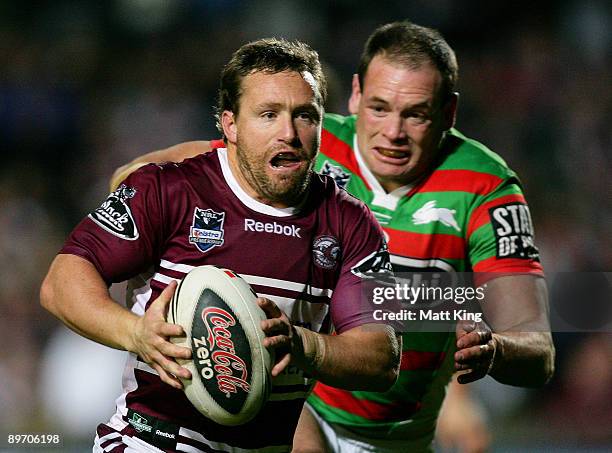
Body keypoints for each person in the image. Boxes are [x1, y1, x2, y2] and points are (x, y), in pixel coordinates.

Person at [111, 21, 555, 452]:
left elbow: (539, 350)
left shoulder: (485, 185)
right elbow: (133, 179)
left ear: (448, 112)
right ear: (357, 94)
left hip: (395, 427)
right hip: (301, 399)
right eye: (379, 108)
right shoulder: (306, 147)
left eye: (415, 114)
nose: (394, 132)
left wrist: (489, 352)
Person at [40, 38, 402, 452]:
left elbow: (382, 357)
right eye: (268, 115)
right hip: (154, 442)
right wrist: (136, 332)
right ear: (230, 124)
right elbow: (61, 282)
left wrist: (305, 344)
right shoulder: (169, 188)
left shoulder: (350, 222)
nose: (289, 133)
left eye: (305, 116)